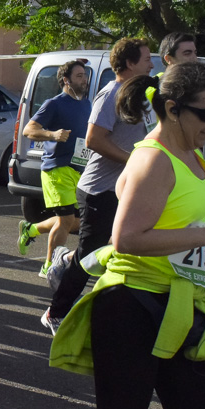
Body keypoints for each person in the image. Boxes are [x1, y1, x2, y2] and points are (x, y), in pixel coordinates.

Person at [0, 61, 205, 409]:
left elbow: (128, 192)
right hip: (131, 309)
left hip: (179, 308)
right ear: (173, 109)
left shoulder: (186, 154)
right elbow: (126, 238)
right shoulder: (154, 157)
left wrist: (200, 241)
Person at [40, 38, 154, 334]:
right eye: (146, 59)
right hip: (99, 190)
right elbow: (93, 140)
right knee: (90, 258)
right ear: (129, 64)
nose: (151, 65)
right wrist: (133, 160)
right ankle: (55, 312)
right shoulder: (111, 94)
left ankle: (67, 259)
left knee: (124, 250)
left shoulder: (142, 95)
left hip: (125, 189)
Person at [17, 60, 89, 276]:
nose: (84, 80)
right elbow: (28, 130)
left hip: (79, 169)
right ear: (66, 81)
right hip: (56, 169)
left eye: (85, 75)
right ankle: (49, 266)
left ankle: (31, 229)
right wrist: (52, 135)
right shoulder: (54, 103)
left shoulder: (87, 103)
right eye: (79, 76)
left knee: (74, 222)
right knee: (66, 220)